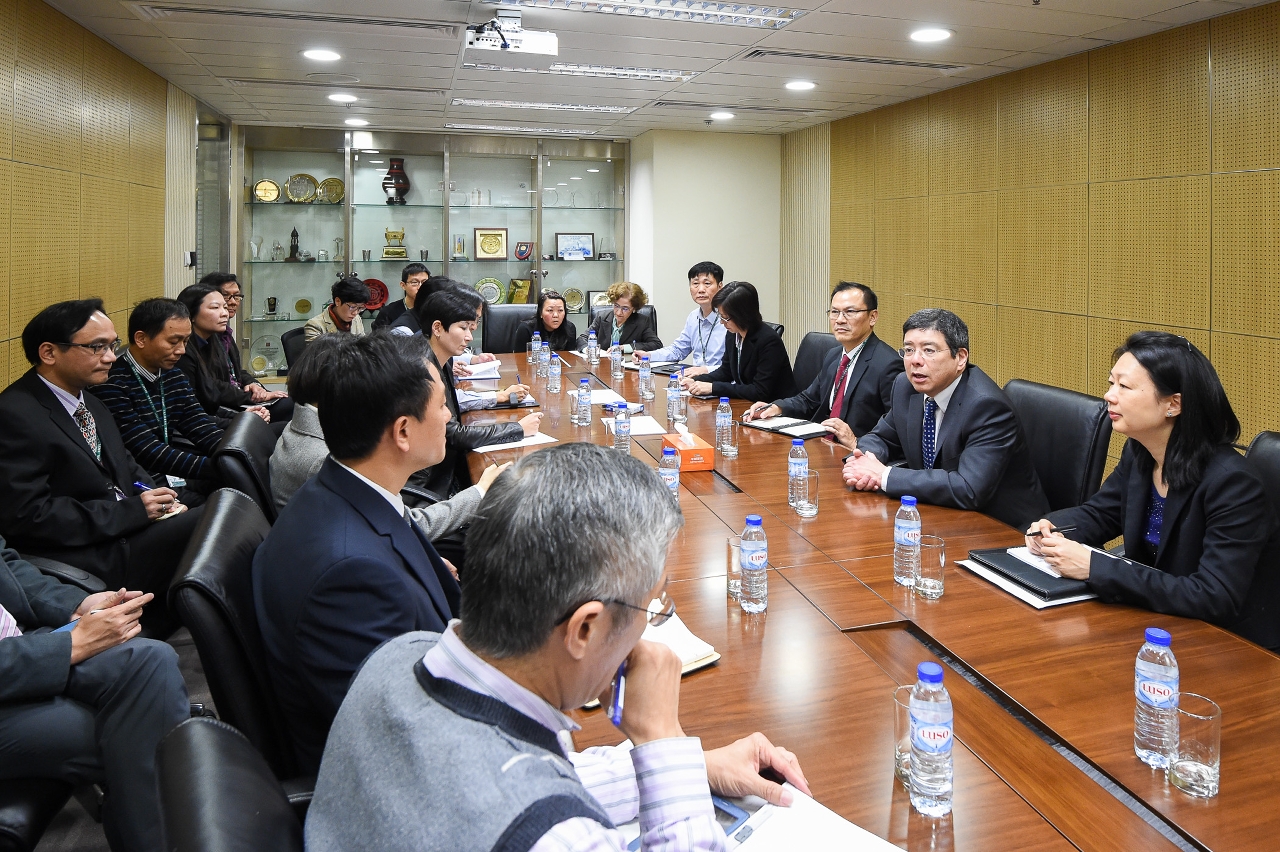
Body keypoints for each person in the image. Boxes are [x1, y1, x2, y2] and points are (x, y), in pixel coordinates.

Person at [307, 443, 810, 852]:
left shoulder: (399, 655)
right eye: (649, 608)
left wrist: (692, 766)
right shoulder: (551, 835)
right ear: (584, 629)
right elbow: (534, 805)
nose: (647, 630)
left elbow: (540, 770)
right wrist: (660, 737)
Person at [252, 332, 461, 775]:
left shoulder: (343, 489)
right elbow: (401, 735)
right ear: (403, 431)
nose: (447, 416)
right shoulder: (351, 574)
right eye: (442, 405)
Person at [1027, 332, 1280, 651]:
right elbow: (1100, 514)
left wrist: (1095, 566)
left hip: (1227, 645)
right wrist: (1048, 528)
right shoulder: (1140, 453)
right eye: (1111, 383)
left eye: (1125, 387)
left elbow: (1214, 596)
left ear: (1173, 404)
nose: (1109, 396)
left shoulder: (1233, 484)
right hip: (1156, 624)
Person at [0, 300, 203, 632]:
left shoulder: (90, 399)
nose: (110, 356)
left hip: (126, 529)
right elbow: (27, 516)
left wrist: (158, 498)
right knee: (214, 517)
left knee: (215, 509)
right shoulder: (15, 414)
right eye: (96, 347)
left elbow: (124, 464)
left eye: (111, 346)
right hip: (85, 552)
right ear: (49, 353)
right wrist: (133, 512)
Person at [0, 538, 189, 852]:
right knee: (144, 735)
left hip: (19, 644)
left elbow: (6, 564)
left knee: (150, 661)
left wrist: (75, 606)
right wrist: (69, 646)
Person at [269, 335, 511, 563]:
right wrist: (478, 493)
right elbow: (398, 525)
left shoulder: (307, 425)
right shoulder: (324, 461)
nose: (447, 414)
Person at [843, 308, 1049, 530]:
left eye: (929, 350)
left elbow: (969, 488)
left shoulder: (987, 407)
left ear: (960, 357)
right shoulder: (905, 386)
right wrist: (863, 461)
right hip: (938, 515)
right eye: (909, 350)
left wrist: (884, 475)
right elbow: (882, 436)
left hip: (1002, 528)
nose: (915, 361)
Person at [408, 288, 540, 500]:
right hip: (430, 484)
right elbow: (453, 433)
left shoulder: (438, 358)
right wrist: (517, 429)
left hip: (445, 472)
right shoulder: (423, 367)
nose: (470, 336)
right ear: (438, 328)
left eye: (472, 327)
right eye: (463, 328)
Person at [90, 298, 225, 503]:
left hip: (172, 474)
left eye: (186, 341)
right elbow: (146, 450)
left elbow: (200, 425)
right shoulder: (112, 383)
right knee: (218, 506)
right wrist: (220, 466)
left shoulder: (173, 375)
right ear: (141, 339)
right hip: (141, 485)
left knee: (238, 485)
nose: (181, 350)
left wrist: (233, 453)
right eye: (173, 341)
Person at [743, 282, 901, 449]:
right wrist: (776, 407)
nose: (840, 320)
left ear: (873, 317)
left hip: (856, 455)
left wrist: (857, 443)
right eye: (834, 312)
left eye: (850, 312)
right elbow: (809, 399)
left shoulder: (888, 365)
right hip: (822, 446)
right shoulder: (834, 355)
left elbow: (896, 429)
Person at [175, 283, 292, 428]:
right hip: (217, 415)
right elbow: (211, 393)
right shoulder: (183, 351)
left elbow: (237, 373)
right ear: (191, 314)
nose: (224, 313)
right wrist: (244, 417)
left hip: (227, 409)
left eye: (224, 307)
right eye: (215, 308)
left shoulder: (213, 339)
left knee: (292, 407)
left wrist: (254, 386)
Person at [681, 282, 796, 403]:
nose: (722, 322)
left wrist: (714, 388)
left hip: (776, 408)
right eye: (721, 316)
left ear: (743, 315)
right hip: (750, 405)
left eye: (726, 318)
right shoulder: (733, 334)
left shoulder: (769, 341)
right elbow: (726, 372)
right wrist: (697, 380)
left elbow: (760, 391)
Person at [634, 261, 724, 375]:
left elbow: (736, 366)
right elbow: (678, 350)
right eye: (695, 283)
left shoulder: (729, 320)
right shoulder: (693, 317)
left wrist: (705, 370)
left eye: (707, 283)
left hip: (723, 383)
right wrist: (649, 355)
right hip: (696, 380)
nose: (701, 289)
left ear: (720, 286)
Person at [577, 281, 663, 351]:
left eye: (625, 308)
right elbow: (582, 339)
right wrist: (587, 349)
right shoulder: (601, 317)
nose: (619, 312)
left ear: (634, 308)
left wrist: (624, 348)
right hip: (601, 365)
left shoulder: (641, 322)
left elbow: (656, 344)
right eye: (616, 306)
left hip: (626, 367)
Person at [305, 276, 370, 343]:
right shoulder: (315, 325)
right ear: (338, 301)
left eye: (360, 308)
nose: (355, 313)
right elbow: (316, 353)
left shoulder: (356, 319)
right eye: (352, 307)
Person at [513, 289, 579, 352]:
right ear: (540, 313)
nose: (556, 315)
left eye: (560, 310)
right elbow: (519, 358)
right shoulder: (526, 329)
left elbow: (570, 357)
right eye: (550, 310)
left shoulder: (570, 328)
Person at [372, 262, 428, 332]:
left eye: (425, 282)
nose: (420, 287)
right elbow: (379, 341)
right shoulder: (388, 312)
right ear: (403, 285)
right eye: (414, 282)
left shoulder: (434, 310)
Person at [199, 271, 243, 358]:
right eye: (225, 295)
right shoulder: (203, 336)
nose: (233, 302)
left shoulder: (226, 333)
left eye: (236, 296)